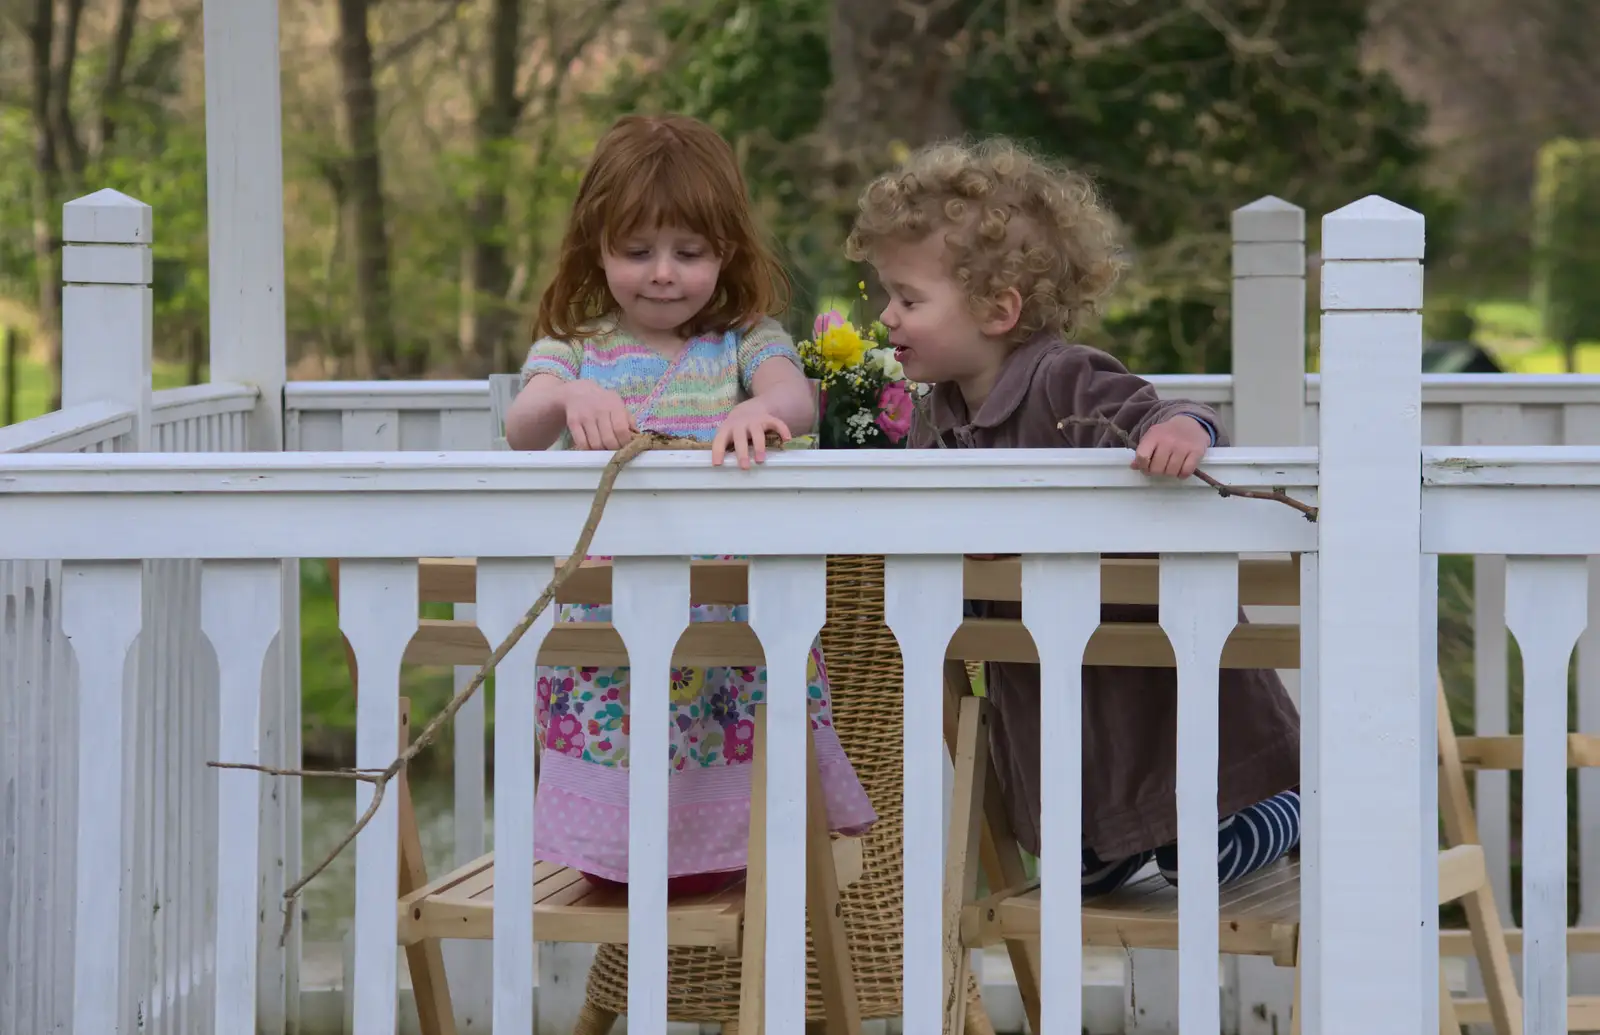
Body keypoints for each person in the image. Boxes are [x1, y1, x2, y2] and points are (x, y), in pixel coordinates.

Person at [845, 137, 1300, 895]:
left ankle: (1292, 804)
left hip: (1144, 669)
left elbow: (1164, 409)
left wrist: (1183, 433)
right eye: (887, 294)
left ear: (999, 309)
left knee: (1204, 859)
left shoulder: (1063, 380)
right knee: (1072, 865)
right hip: (1043, 673)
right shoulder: (937, 415)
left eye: (908, 299)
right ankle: (1111, 841)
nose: (887, 315)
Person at [503, 113, 876, 897]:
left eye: (689, 252)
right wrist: (571, 395)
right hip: (614, 618)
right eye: (637, 251)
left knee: (729, 733)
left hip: (729, 617)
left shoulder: (743, 340)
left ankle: (731, 850)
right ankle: (622, 861)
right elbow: (520, 423)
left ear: (726, 252)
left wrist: (758, 411)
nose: (663, 273)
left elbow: (796, 396)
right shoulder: (576, 345)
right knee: (628, 745)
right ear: (596, 247)